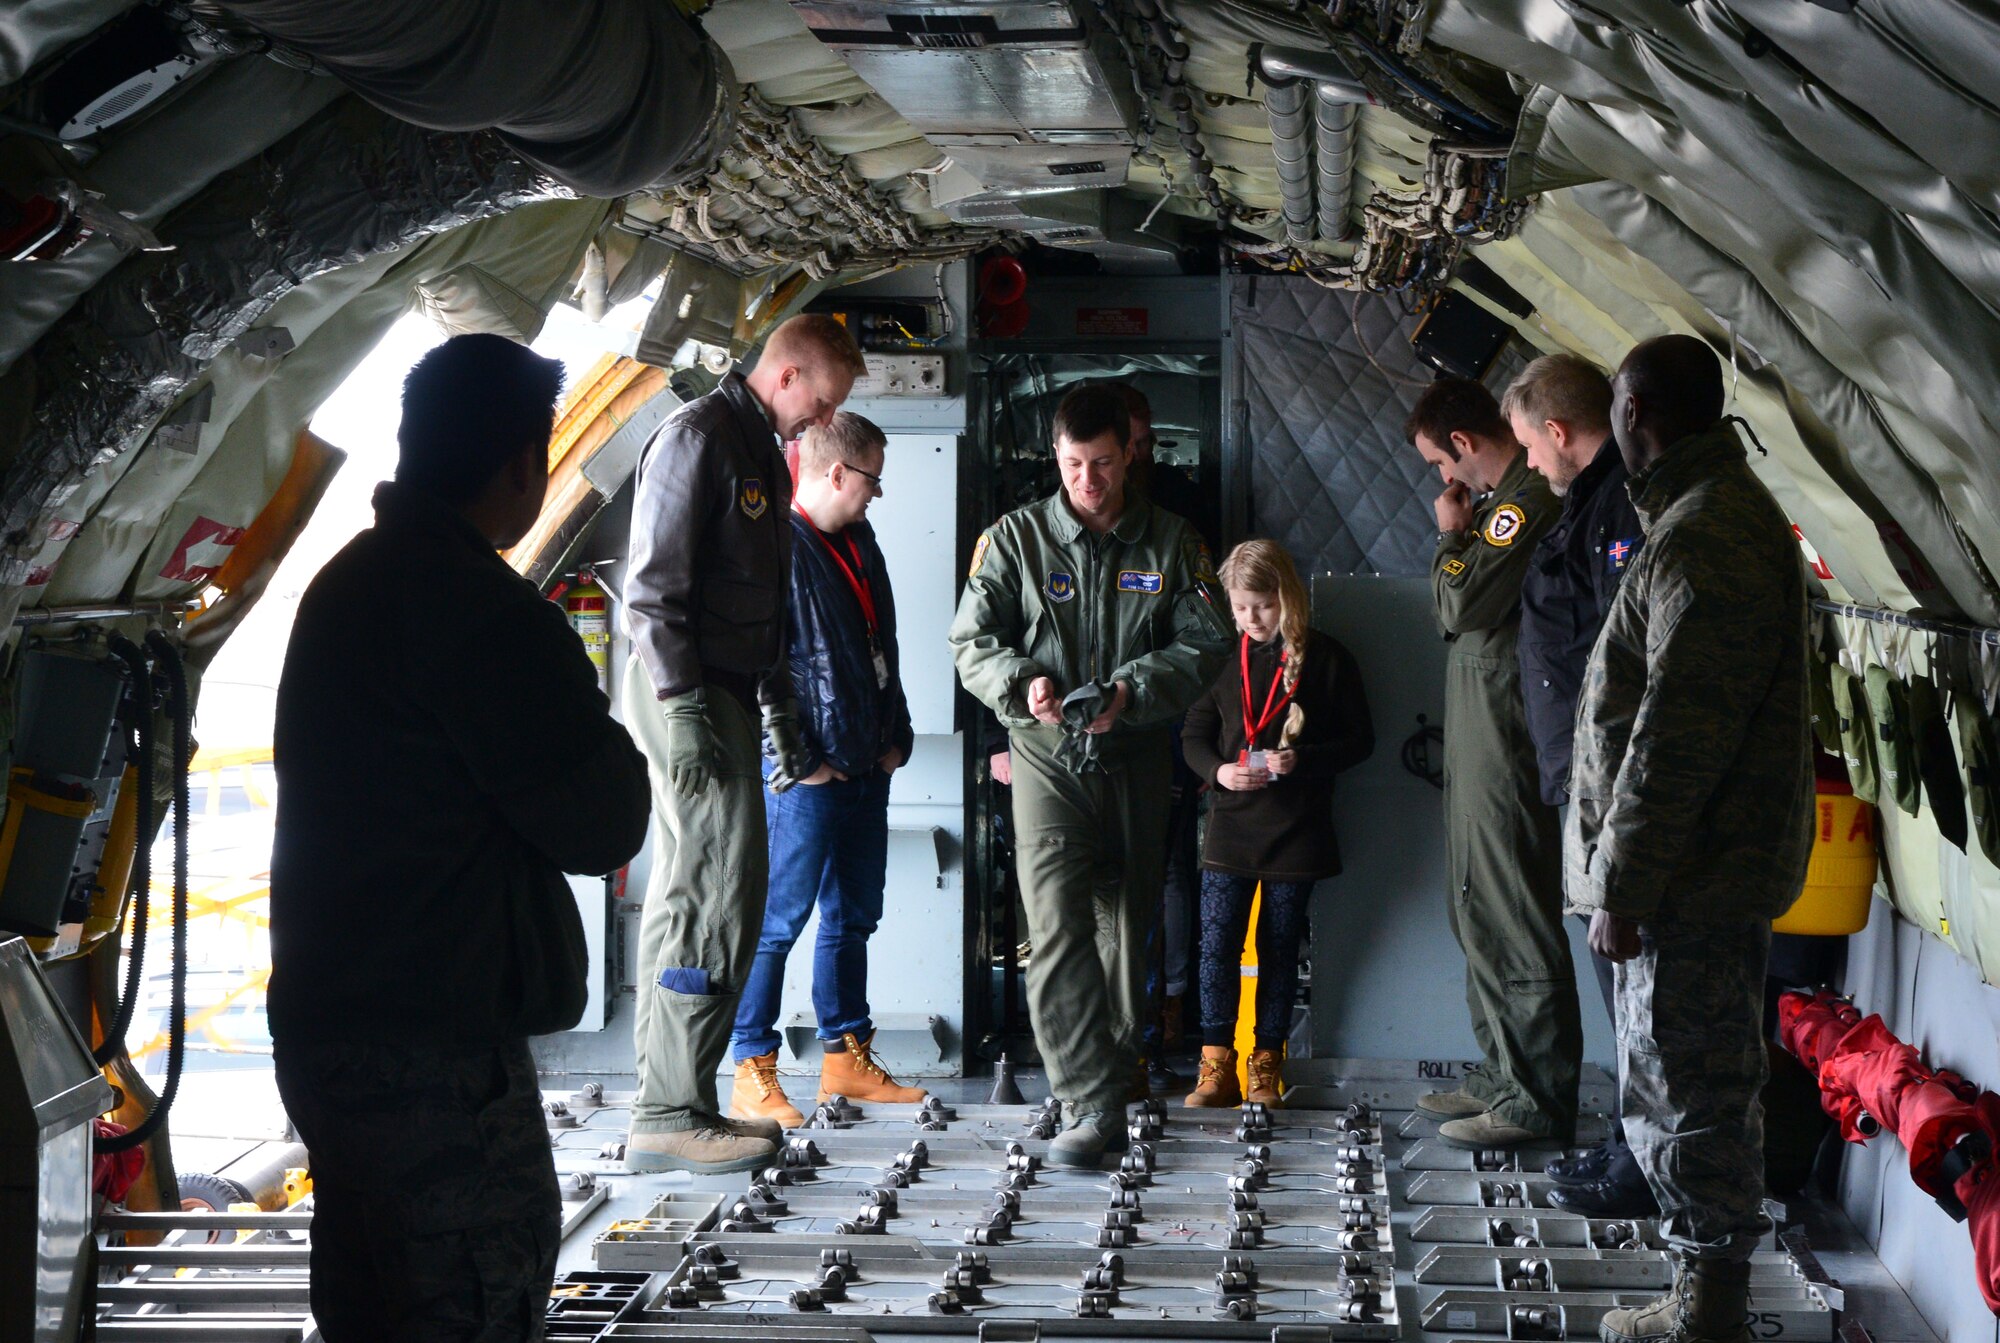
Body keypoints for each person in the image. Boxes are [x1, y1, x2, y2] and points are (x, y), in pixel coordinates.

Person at [269, 334, 651, 1342]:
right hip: (430, 1052)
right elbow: (601, 820)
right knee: (475, 1298)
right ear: (524, 462)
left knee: (368, 1307)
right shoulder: (479, 611)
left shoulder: (346, 583)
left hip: (331, 1028)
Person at [1572, 335, 1811, 1343]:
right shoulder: (1700, 517)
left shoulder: (1705, 535)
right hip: (1691, 871)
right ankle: (1696, 1290)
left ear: (1636, 414)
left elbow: (1675, 735)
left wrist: (1621, 882)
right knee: (1681, 1081)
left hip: (1689, 879)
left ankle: (1706, 1308)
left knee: (1692, 1088)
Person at [949, 383, 1231, 1166]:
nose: (1087, 481)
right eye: (1072, 464)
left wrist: (1134, 690)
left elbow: (1207, 642)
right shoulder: (1013, 541)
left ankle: (1107, 1078)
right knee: (1058, 925)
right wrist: (1023, 684)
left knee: (1123, 932)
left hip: (1136, 755)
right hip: (1045, 758)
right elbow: (971, 640)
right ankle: (1088, 1094)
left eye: (1102, 463)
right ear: (1057, 457)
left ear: (1129, 453)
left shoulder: (1172, 543)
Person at [622, 313, 866, 1173]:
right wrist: (684, 704)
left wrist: (775, 710)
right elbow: (651, 592)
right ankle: (666, 1108)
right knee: (709, 886)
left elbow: (759, 609)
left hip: (727, 691)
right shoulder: (698, 438)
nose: (818, 421)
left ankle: (685, 1097)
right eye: (822, 401)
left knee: (727, 886)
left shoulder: (758, 447)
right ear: (790, 374)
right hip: (684, 687)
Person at [728, 411, 926, 1127]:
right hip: (809, 777)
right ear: (837, 472)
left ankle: (845, 1058)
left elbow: (884, 644)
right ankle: (753, 1066)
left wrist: (895, 733)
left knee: (853, 916)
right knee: (777, 922)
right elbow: (757, 668)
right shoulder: (776, 547)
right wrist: (801, 762)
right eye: (872, 478)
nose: (878, 493)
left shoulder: (859, 540)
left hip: (868, 764)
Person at [1406, 377, 1583, 1151]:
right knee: (1475, 904)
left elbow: (1460, 605)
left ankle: (1537, 1095)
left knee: (1512, 908)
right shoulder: (1503, 505)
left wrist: (1449, 534)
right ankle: (1505, 1069)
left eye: (1440, 463)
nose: (1443, 481)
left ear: (1467, 444)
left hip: (1509, 731)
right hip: (1484, 725)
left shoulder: (1520, 505)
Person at [1502, 353, 1655, 1217]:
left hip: (1610, 787)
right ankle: (1634, 1137)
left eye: (1531, 446)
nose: (1530, 463)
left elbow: (1622, 658)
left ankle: (1646, 1154)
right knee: (1616, 979)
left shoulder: (1616, 510)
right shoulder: (1592, 506)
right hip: (1584, 781)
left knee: (1634, 980)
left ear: (1559, 432)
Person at [1179, 540, 1373, 1107]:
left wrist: (1303, 760)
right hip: (1229, 826)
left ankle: (1267, 1062)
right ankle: (1216, 1067)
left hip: (1298, 827)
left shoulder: (1329, 659)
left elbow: (1361, 741)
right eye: (1240, 608)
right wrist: (1218, 771)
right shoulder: (1219, 657)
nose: (1251, 619)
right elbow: (1192, 734)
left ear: (1285, 598)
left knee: (1280, 946)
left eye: (1261, 605)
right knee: (1217, 944)